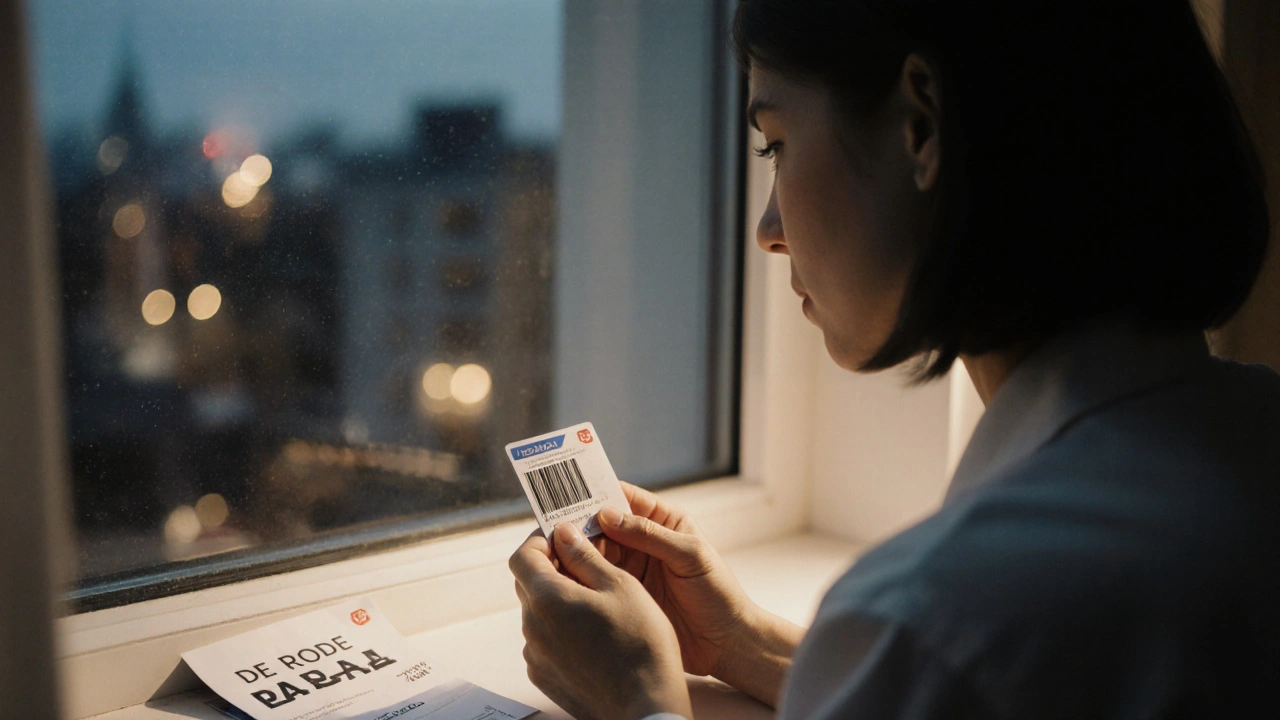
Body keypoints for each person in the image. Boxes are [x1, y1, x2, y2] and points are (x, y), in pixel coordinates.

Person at [509, 0, 1280, 717]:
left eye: (776, 143)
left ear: (922, 122)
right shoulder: (1249, 440)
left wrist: (641, 699)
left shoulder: (948, 609)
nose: (767, 230)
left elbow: (957, 661)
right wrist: (747, 643)